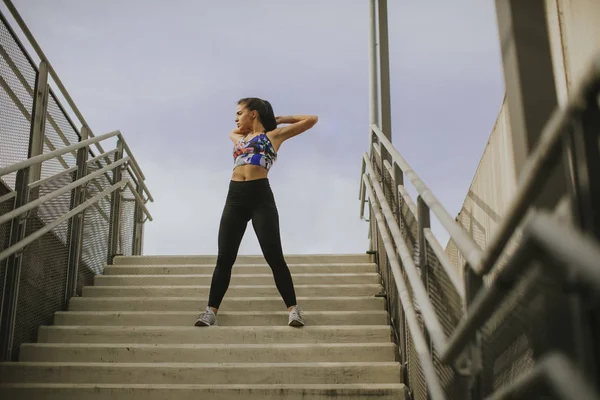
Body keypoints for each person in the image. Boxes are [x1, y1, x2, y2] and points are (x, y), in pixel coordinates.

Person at [195, 97, 318, 327]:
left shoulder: (273, 136)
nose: (236, 118)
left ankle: (293, 310)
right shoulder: (238, 138)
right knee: (224, 258)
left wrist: (278, 119)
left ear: (254, 114)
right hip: (235, 198)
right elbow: (233, 130)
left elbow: (311, 119)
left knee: (275, 257)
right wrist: (248, 123)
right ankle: (210, 311)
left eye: (240, 112)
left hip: (261, 198)